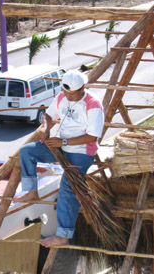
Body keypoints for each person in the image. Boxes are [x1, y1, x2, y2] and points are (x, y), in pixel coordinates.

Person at [14, 70, 105, 247]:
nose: (69, 96)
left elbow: (93, 137)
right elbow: (47, 115)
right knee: (27, 151)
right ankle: (32, 192)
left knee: (67, 188)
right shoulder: (62, 96)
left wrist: (63, 140)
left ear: (82, 89)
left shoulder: (93, 104)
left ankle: (63, 235)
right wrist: (45, 127)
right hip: (61, 147)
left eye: (73, 93)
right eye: (67, 92)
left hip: (82, 152)